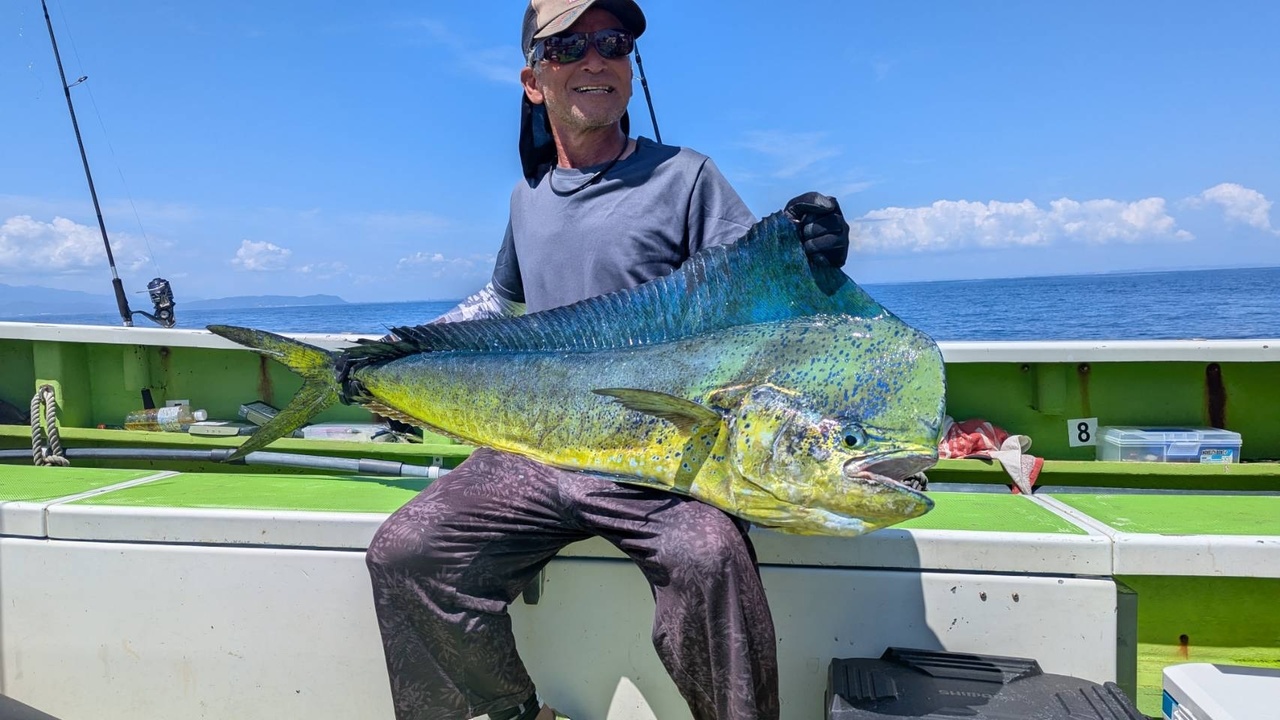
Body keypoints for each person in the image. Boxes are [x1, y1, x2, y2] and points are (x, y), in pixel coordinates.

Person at [364, 1, 851, 719]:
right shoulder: (527, 197)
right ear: (534, 81)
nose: (595, 59)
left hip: (657, 457)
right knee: (404, 551)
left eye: (612, 42)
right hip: (536, 447)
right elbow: (498, 306)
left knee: (711, 554)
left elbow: (756, 289)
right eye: (569, 46)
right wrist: (392, 360)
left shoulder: (687, 178)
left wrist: (810, 256)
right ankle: (512, 712)